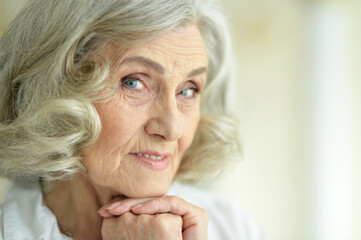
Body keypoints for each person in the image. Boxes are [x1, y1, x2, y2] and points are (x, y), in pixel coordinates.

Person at [0, 0, 265, 239]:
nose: (172, 128)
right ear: (54, 88)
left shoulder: (234, 227)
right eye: (134, 82)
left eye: (188, 90)